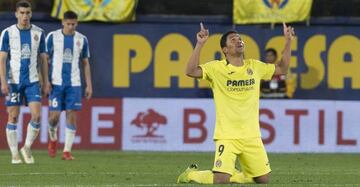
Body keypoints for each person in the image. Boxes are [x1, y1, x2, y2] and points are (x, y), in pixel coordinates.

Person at [177, 22, 295, 184]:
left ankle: (235, 172)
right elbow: (190, 71)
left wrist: (288, 41)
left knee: (262, 179)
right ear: (224, 50)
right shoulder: (216, 69)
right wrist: (200, 44)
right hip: (227, 135)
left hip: (252, 135)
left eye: (239, 39)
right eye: (233, 40)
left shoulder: (255, 66)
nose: (238, 41)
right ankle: (190, 175)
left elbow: (282, 69)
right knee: (221, 180)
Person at [0, 0, 51, 164]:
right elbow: (2, 59)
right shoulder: (7, 33)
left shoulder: (39, 33)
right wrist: (3, 81)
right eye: (21, 13)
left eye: (27, 13)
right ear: (16, 14)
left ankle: (27, 147)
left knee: (37, 116)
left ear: (31, 14)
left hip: (33, 81)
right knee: (13, 117)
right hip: (14, 81)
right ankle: (15, 153)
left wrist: (46, 81)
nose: (25, 16)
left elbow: (43, 59)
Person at [46, 10, 92, 160]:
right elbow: (44, 59)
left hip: (74, 84)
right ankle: (53, 139)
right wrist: (45, 81)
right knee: (54, 117)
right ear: (62, 22)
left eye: (73, 24)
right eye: (68, 24)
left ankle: (67, 151)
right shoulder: (52, 37)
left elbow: (85, 63)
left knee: (71, 115)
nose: (71, 27)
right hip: (56, 84)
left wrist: (89, 85)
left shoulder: (82, 39)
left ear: (77, 23)